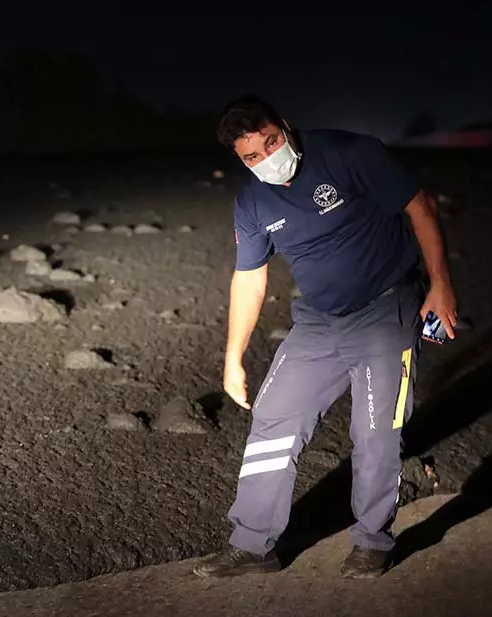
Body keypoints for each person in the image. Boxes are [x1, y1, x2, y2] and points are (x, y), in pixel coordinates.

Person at [193, 94, 458, 579]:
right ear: (239, 158)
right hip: (316, 321)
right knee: (274, 417)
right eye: (253, 155)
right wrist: (233, 357)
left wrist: (440, 285)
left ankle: (373, 539)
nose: (267, 159)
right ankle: (253, 545)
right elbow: (249, 277)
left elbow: (420, 206)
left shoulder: (349, 154)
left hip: (385, 307)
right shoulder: (252, 201)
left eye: (272, 142)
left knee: (376, 429)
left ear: (286, 127)